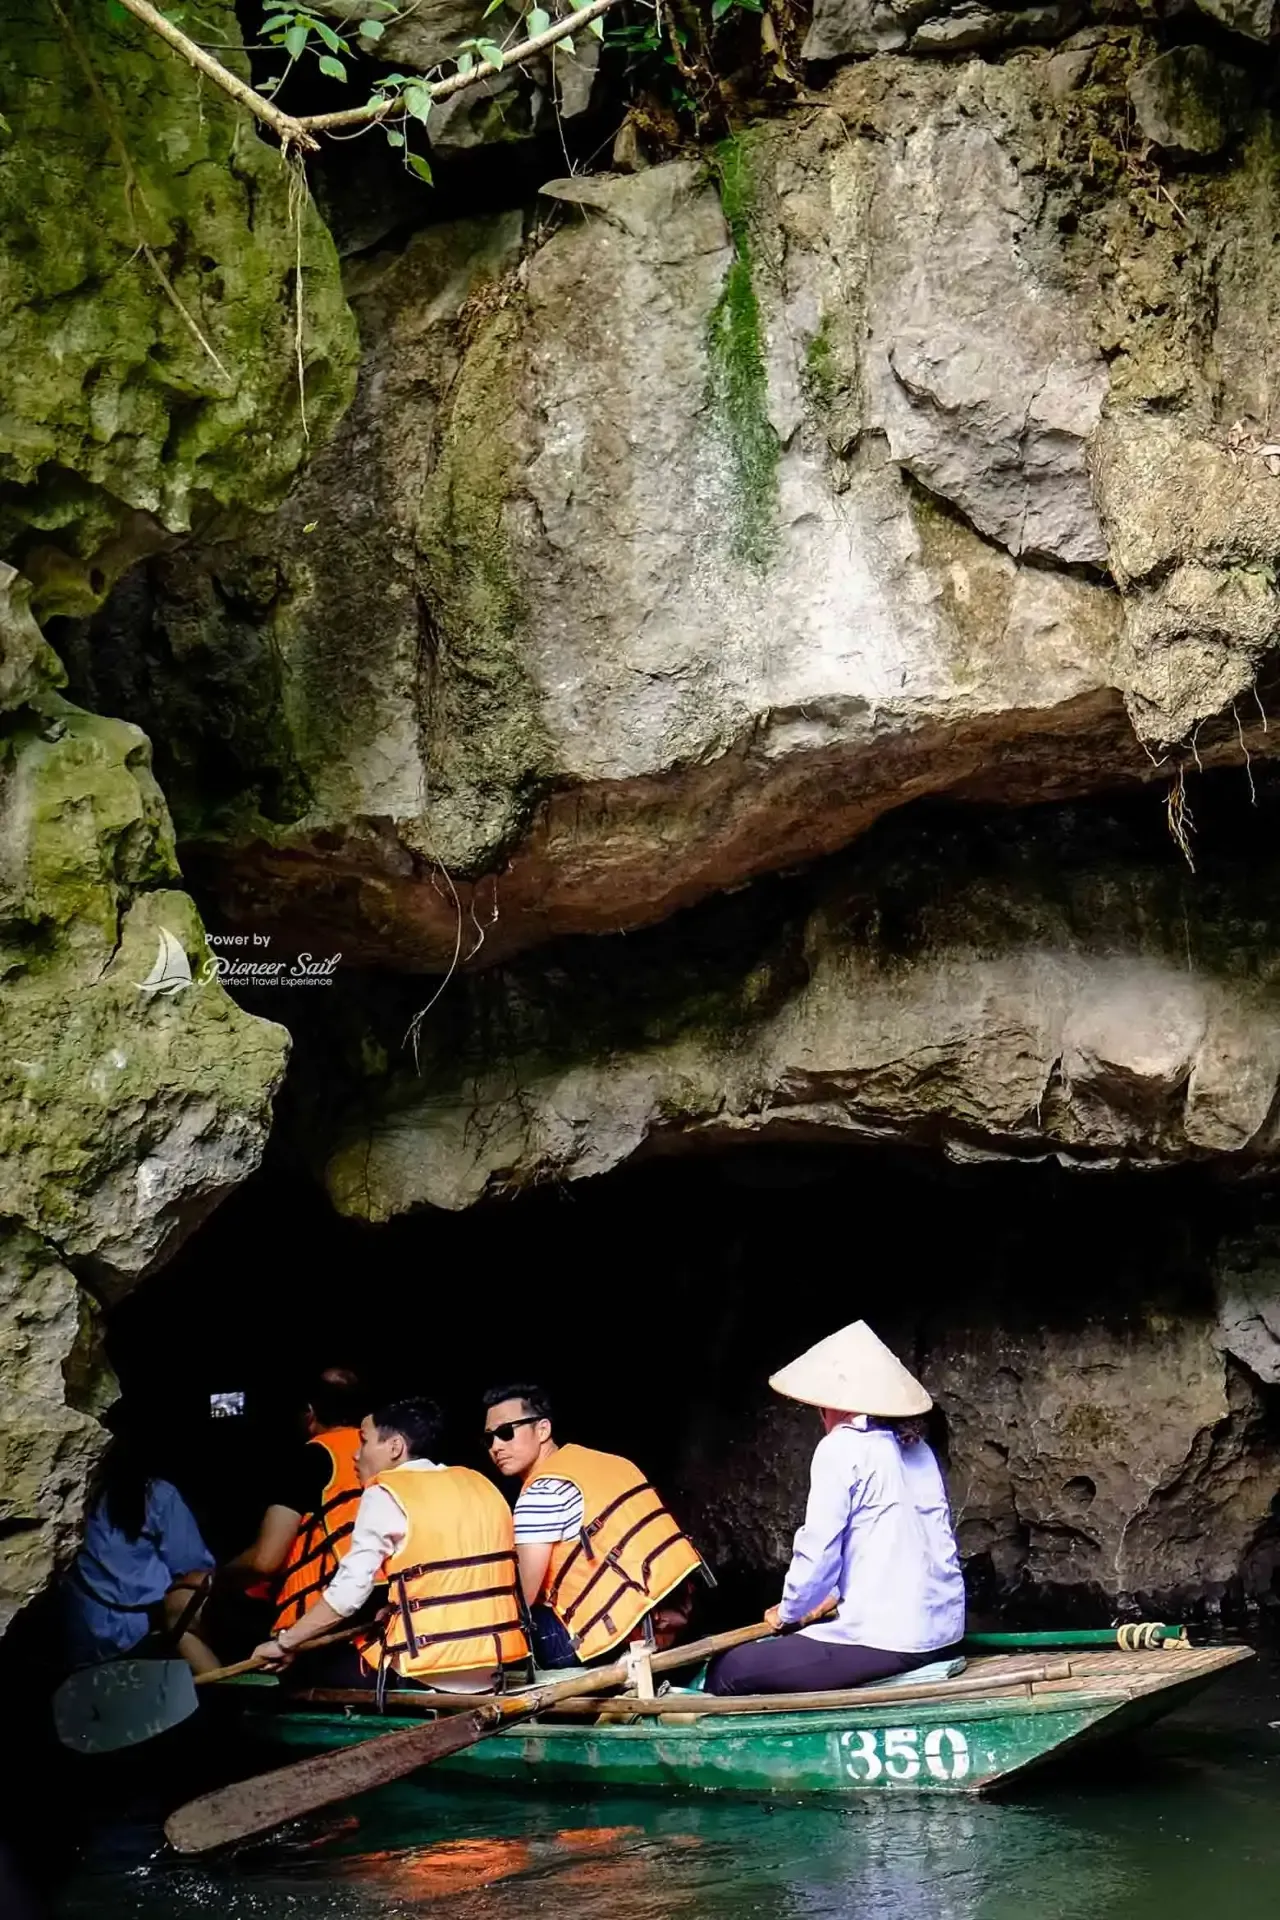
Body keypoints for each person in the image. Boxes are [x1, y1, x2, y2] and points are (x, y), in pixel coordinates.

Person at [705, 1320, 965, 1696]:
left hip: (891, 1641)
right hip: (945, 1633)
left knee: (730, 1669)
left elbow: (818, 1554)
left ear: (832, 1403)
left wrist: (789, 1613)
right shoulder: (917, 1448)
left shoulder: (842, 1447)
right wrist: (826, 1601)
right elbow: (891, 1549)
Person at [252, 1397, 530, 1693]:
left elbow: (347, 1595)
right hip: (493, 1664)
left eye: (364, 1441)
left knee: (305, 1669)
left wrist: (285, 1642)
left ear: (395, 1447)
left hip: (428, 1669)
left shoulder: (386, 1492)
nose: (356, 1456)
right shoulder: (480, 1483)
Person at [483, 1383, 706, 1670]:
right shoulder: (615, 1463)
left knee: (502, 1621)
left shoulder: (542, 1491)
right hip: (671, 1620)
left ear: (543, 1430)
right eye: (489, 1439)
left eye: (506, 1432)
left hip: (607, 1639)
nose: (496, 1446)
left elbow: (523, 1600)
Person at [61, 1408, 218, 1674]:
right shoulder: (156, 1495)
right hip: (147, 1636)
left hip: (83, 1641)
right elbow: (194, 1569)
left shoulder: (67, 1502)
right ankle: (229, 1705)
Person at [223, 1367, 365, 1645]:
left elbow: (266, 1561)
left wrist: (219, 1578)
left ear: (310, 1413)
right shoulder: (387, 1457)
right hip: (377, 1616)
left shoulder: (312, 1458)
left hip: (313, 1624)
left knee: (186, 1612)